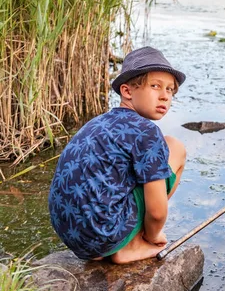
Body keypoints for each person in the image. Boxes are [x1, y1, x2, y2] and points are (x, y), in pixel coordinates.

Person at [48, 46, 187, 264]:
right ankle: (132, 243)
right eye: (155, 86)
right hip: (104, 234)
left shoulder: (97, 123)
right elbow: (158, 212)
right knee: (175, 148)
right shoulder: (147, 131)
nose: (164, 96)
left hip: (73, 236)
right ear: (127, 91)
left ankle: (116, 241)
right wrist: (154, 236)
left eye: (170, 90)